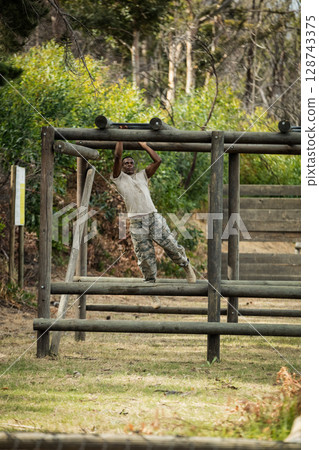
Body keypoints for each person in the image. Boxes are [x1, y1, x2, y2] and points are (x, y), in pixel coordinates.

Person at [110, 140, 196, 284]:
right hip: (137, 222)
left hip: (152, 217)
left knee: (170, 245)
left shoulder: (142, 175)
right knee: (144, 257)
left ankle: (186, 266)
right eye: (126, 163)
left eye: (131, 163)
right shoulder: (118, 178)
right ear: (122, 167)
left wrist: (144, 145)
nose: (129, 164)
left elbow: (158, 160)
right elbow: (118, 156)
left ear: (134, 166)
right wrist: (120, 137)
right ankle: (150, 286)